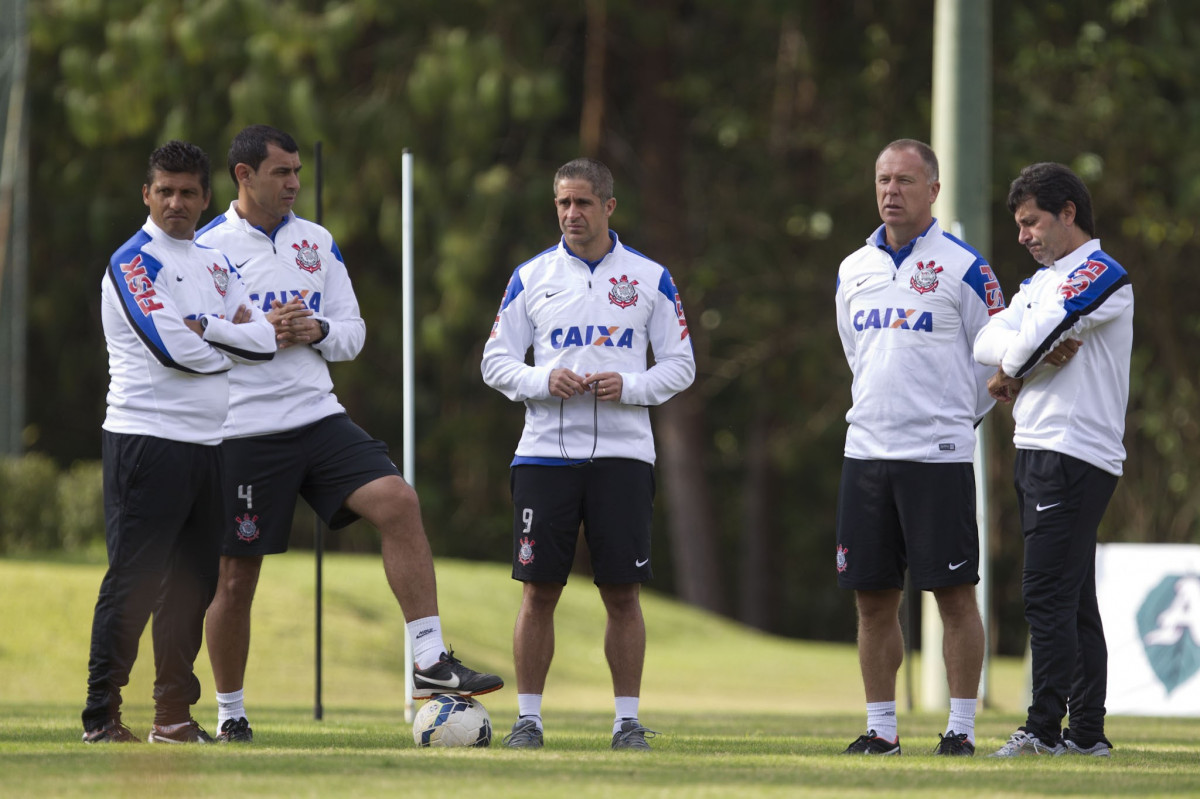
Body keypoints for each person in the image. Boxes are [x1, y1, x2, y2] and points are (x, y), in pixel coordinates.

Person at [196, 125, 502, 744]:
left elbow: (354, 334)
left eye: (297, 172)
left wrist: (314, 330)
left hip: (319, 416)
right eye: (281, 172)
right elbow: (195, 343)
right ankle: (230, 712)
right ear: (243, 176)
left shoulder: (317, 242)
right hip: (244, 430)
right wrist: (263, 331)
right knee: (236, 576)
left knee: (399, 501)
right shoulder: (206, 250)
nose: (294, 183)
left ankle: (429, 660)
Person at [481, 158, 695, 750]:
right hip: (544, 453)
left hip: (625, 456)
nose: (571, 215)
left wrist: (630, 387)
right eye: (562, 204)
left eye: (582, 203)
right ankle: (529, 720)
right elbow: (495, 361)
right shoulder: (532, 276)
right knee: (538, 589)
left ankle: (627, 722)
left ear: (608, 207)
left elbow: (681, 365)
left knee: (622, 592)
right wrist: (542, 379)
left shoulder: (651, 278)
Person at [83, 140, 277, 744]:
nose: (175, 202)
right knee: (134, 580)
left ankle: (171, 716)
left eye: (187, 191)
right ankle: (101, 715)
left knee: (192, 585)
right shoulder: (134, 261)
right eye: (164, 190)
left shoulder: (215, 263)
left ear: (206, 197)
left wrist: (210, 329)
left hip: (210, 444)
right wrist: (228, 341)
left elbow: (266, 340)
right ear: (146, 194)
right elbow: (174, 351)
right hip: (147, 440)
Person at [833, 139, 1006, 757]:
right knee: (873, 599)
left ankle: (960, 729)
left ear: (933, 190)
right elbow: (858, 355)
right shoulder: (853, 268)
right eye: (882, 179)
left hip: (938, 457)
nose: (890, 191)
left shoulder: (966, 267)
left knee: (954, 598)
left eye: (905, 180)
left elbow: (998, 366)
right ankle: (882, 730)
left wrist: (954, 420)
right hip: (867, 454)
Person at [975, 163, 1133, 758]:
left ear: (1069, 213)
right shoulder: (1044, 281)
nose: (1023, 236)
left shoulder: (1101, 271)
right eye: (1019, 225)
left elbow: (1035, 335)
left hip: (1074, 450)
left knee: (1044, 594)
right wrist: (1022, 359)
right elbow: (987, 340)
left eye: (1032, 222)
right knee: (1071, 597)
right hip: (1039, 446)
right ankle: (1087, 734)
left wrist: (1012, 369)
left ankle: (1043, 730)